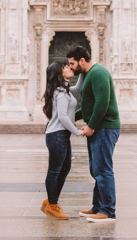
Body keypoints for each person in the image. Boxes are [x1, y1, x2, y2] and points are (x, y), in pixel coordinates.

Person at [67, 45, 120, 224]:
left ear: (82, 60)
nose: (71, 67)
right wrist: (69, 118)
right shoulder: (90, 74)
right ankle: (98, 206)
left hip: (105, 128)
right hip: (100, 127)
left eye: (72, 63)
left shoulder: (98, 73)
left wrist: (91, 125)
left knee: (103, 169)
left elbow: (102, 102)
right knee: (96, 169)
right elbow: (88, 107)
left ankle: (107, 211)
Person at [40, 61, 83, 220]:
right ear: (59, 73)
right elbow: (63, 116)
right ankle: (52, 204)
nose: (69, 68)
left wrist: (83, 71)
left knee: (64, 169)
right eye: (66, 67)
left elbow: (77, 88)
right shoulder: (61, 92)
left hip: (60, 135)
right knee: (54, 170)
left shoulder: (63, 89)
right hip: (57, 134)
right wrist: (77, 131)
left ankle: (50, 201)